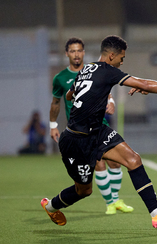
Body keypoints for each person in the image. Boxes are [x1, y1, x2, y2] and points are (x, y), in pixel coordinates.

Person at [41, 35, 157, 228]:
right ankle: (50, 207)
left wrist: (89, 99)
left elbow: (69, 95)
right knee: (84, 190)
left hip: (97, 131)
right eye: (121, 58)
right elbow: (145, 84)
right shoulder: (108, 71)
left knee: (133, 160)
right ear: (112, 55)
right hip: (75, 140)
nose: (122, 62)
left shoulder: (87, 69)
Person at [50, 37, 133, 215]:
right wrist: (53, 125)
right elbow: (57, 102)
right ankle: (110, 203)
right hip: (79, 130)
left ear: (84, 52)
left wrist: (111, 101)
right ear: (67, 54)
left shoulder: (93, 69)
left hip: (99, 124)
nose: (76, 54)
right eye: (72, 51)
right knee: (99, 165)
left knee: (115, 162)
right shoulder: (61, 78)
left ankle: (116, 199)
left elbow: (104, 89)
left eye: (79, 50)